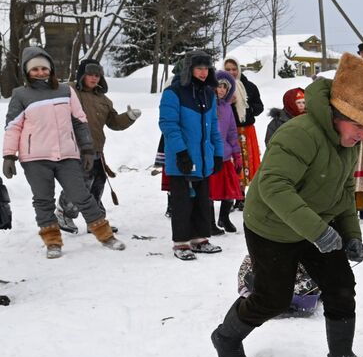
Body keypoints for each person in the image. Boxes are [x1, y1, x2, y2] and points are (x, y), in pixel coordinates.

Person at [210, 51, 363, 357]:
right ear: (337, 115)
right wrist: (319, 231)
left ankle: (341, 354)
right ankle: (226, 338)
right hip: (271, 226)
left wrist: (351, 235)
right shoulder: (300, 133)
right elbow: (273, 187)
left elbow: (343, 191)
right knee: (273, 297)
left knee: (341, 283)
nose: (362, 136)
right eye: (358, 126)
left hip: (316, 224)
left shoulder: (348, 143)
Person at [3, 46, 125, 257]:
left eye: (44, 68)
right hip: (35, 158)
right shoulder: (21, 95)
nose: (40, 72)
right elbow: (13, 126)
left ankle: (106, 235)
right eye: (35, 69)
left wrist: (86, 149)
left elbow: (79, 122)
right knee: (43, 200)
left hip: (67, 155)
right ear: (27, 71)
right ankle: (52, 242)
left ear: (50, 69)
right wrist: (9, 155)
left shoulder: (65, 91)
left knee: (82, 196)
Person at [58, 59, 140, 231]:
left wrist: (129, 116)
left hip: (96, 149)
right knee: (80, 184)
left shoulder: (103, 99)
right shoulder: (68, 91)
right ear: (82, 75)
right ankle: (63, 214)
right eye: (90, 74)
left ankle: (95, 220)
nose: (94, 78)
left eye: (97, 75)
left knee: (98, 183)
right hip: (74, 148)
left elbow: (114, 123)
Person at [159, 52, 222, 261]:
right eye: (199, 68)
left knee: (203, 200)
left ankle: (199, 238)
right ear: (189, 69)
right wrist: (181, 152)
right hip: (182, 158)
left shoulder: (208, 94)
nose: (204, 73)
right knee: (183, 201)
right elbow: (168, 125)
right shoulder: (173, 93)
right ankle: (181, 242)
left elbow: (214, 127)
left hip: (203, 158)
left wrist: (218, 153)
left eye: (207, 68)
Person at [211, 71, 247, 234]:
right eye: (218, 86)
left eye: (225, 87)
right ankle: (209, 222)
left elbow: (232, 133)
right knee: (209, 193)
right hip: (210, 155)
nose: (221, 90)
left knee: (230, 190)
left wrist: (237, 155)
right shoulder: (208, 105)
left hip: (225, 156)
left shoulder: (227, 108)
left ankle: (224, 218)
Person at [222, 58, 264, 196]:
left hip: (246, 130)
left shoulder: (249, 86)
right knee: (231, 163)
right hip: (227, 131)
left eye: (234, 69)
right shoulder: (220, 87)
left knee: (246, 164)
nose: (231, 72)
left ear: (239, 70)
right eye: (228, 69)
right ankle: (232, 194)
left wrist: (247, 108)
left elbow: (259, 107)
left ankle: (242, 195)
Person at [237, 255, 320, 317]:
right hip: (267, 290)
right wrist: (246, 291)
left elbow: (313, 272)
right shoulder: (259, 254)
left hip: (298, 290)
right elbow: (244, 274)